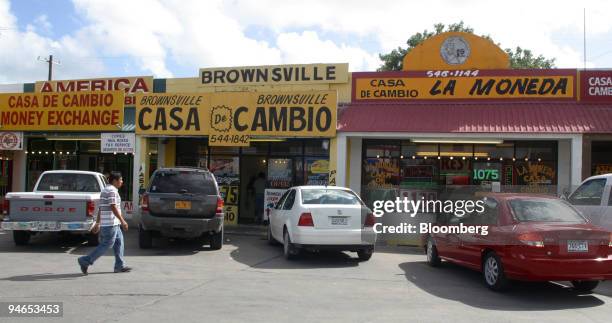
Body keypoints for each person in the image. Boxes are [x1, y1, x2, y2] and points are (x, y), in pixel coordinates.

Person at [78, 172, 131, 274]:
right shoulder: (111, 191)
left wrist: (98, 223)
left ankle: (119, 266)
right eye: (121, 180)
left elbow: (101, 208)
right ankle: (85, 261)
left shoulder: (105, 190)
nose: (122, 182)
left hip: (113, 223)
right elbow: (113, 206)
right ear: (115, 181)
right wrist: (123, 221)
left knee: (119, 243)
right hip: (110, 224)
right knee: (106, 245)